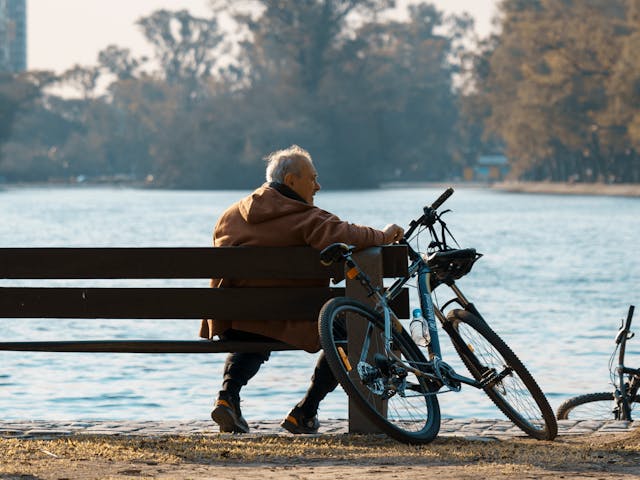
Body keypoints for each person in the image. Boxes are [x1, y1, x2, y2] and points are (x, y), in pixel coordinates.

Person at [199, 145, 404, 434]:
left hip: (236, 321)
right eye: (313, 178)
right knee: (348, 330)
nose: (318, 186)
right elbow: (347, 234)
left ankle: (228, 397)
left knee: (256, 322)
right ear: (292, 181)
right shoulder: (306, 217)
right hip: (290, 320)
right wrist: (383, 235)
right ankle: (306, 411)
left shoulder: (230, 216)